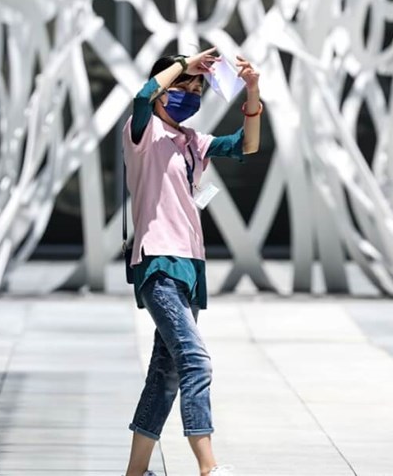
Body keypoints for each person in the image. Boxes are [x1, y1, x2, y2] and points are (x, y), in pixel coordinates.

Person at [122, 47, 261, 476]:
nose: (191, 93)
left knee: (164, 375)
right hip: (158, 263)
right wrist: (183, 67)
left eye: (197, 88)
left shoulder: (192, 142)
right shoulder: (142, 133)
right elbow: (143, 98)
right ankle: (208, 468)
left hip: (189, 269)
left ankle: (136, 473)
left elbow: (247, 145)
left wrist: (252, 91)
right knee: (195, 361)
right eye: (183, 88)